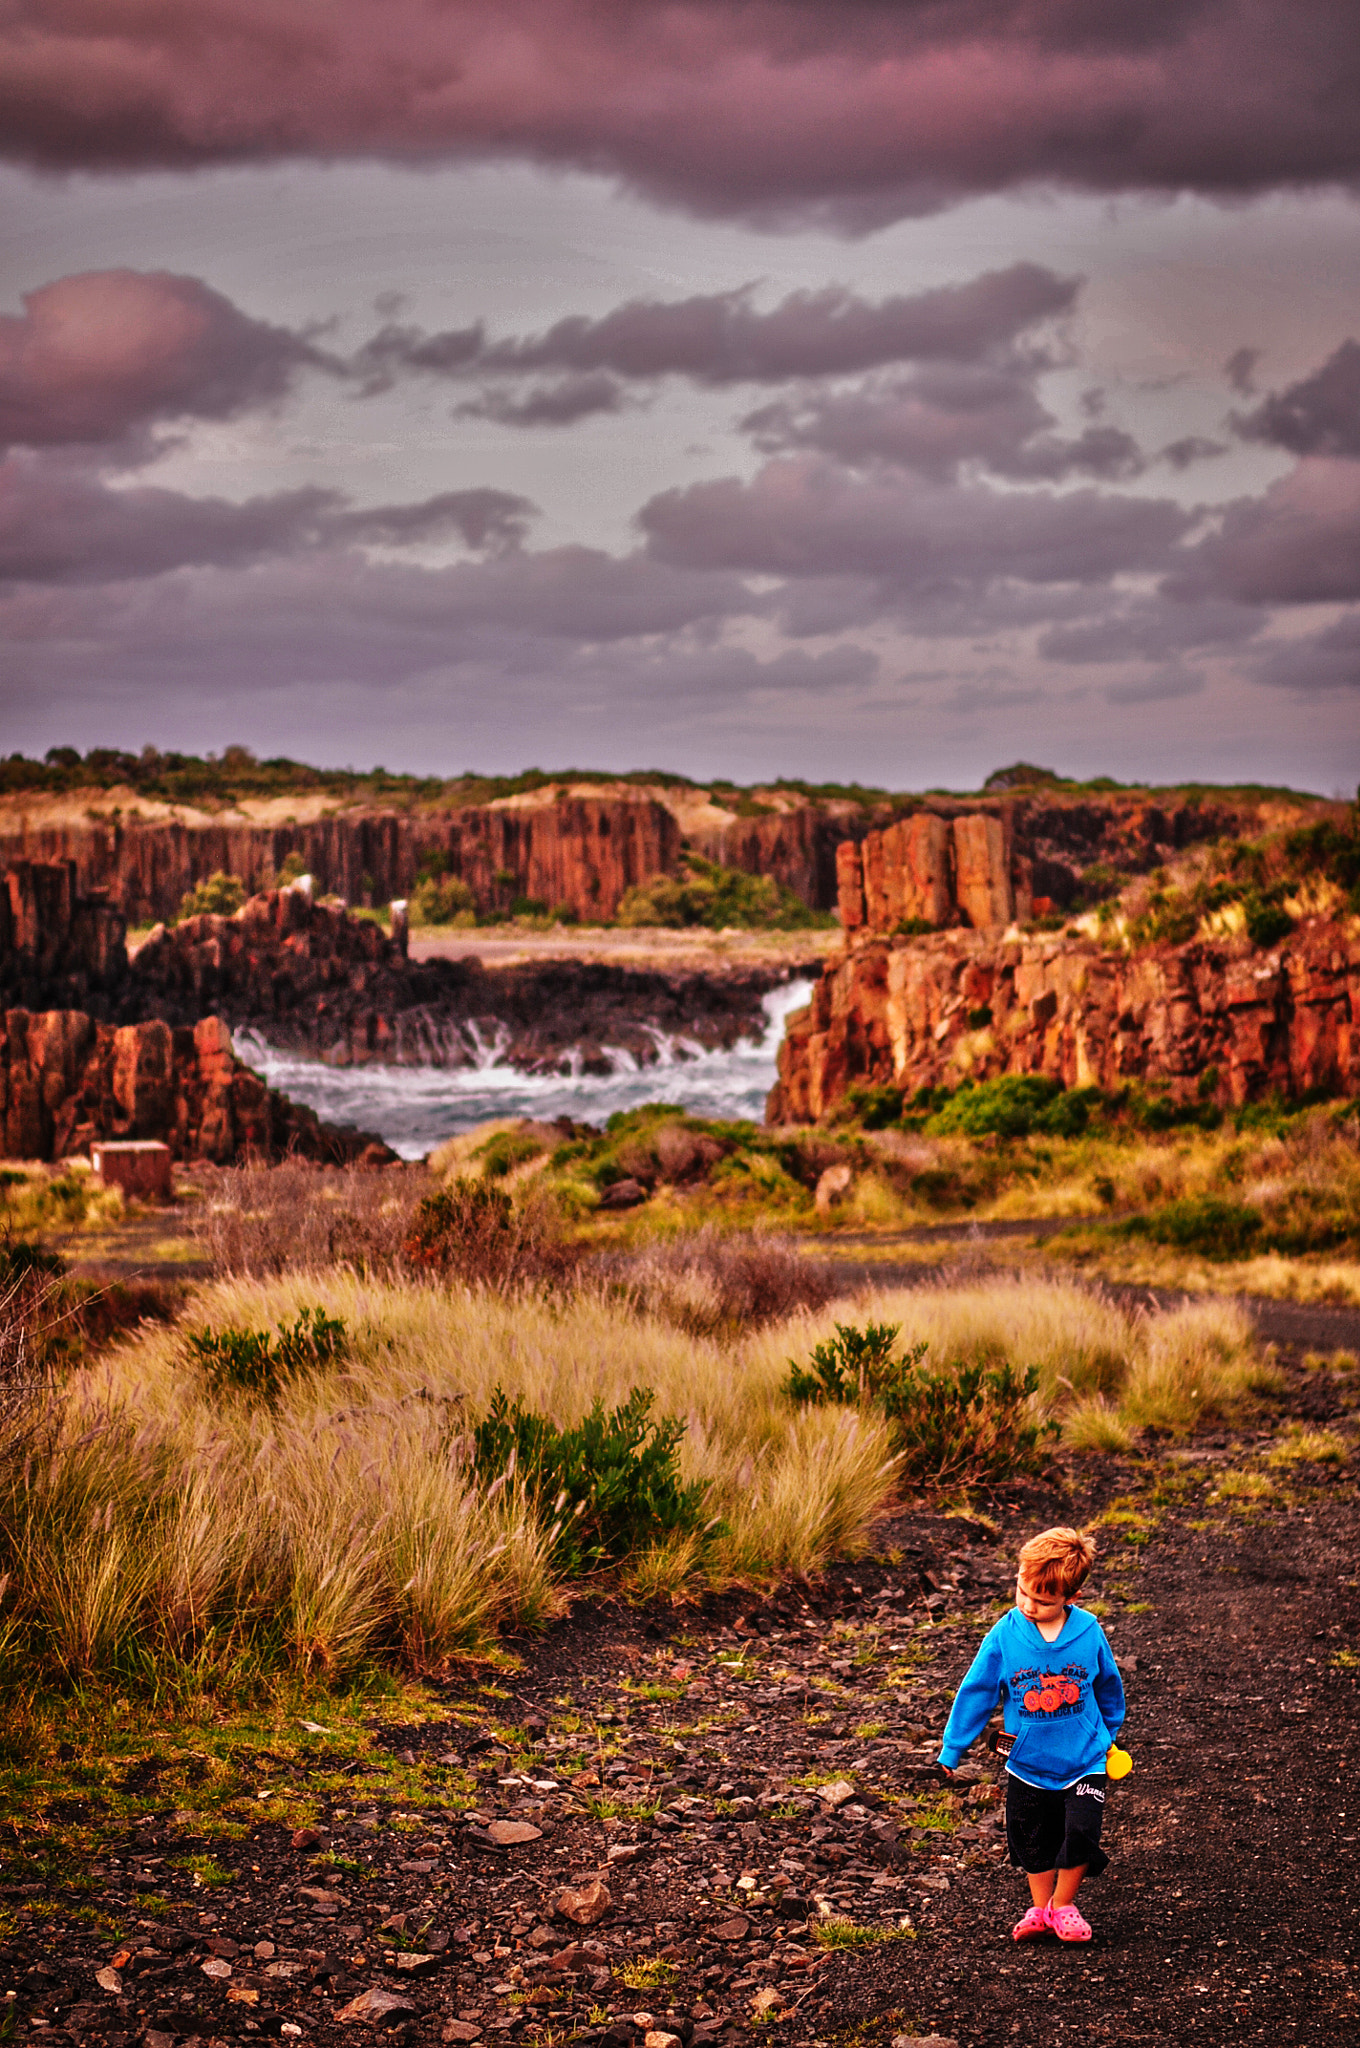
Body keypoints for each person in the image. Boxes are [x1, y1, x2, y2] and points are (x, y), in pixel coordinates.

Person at [936, 1525, 1126, 1944]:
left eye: (1042, 1601)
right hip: (1028, 1762)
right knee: (1030, 1836)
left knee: (1081, 1831)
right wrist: (953, 1749)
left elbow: (1108, 1685)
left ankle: (1064, 1905)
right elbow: (978, 1692)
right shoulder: (1005, 1635)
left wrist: (1107, 1733)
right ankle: (1040, 1909)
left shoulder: (1088, 1631)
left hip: (1086, 1757)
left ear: (1070, 1598)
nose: (1028, 1605)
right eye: (1022, 1592)